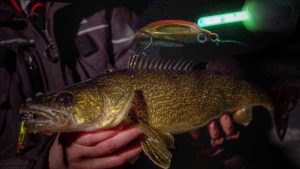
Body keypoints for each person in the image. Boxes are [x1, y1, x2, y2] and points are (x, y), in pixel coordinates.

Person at [1, 1, 297, 169]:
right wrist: (46, 164)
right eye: (66, 101)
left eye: (66, 101)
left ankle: (272, 99)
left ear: (114, 98)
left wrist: (201, 143)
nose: (62, 104)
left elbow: (170, 145)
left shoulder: (110, 13)